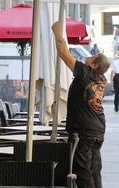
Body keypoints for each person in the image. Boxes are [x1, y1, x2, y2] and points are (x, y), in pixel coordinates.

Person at [52, 21, 110, 188]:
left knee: (83, 172)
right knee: (94, 170)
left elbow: (63, 53)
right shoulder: (101, 78)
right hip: (98, 129)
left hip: (84, 130)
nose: (87, 57)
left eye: (91, 57)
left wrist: (57, 32)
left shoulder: (86, 73)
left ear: (95, 65)